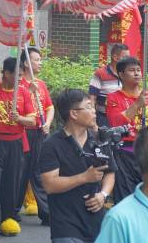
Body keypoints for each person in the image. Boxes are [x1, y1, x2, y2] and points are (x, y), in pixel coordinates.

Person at [40, 89, 116, 243]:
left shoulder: (99, 140)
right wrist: (84, 177)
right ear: (74, 114)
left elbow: (110, 173)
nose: (94, 111)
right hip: (65, 224)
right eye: (88, 107)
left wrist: (103, 195)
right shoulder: (52, 145)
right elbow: (50, 184)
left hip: (96, 222)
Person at [0, 57, 37, 243]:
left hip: (16, 145)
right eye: (16, 75)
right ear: (7, 73)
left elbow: (32, 121)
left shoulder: (25, 93)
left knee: (11, 185)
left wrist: (19, 118)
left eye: (22, 75)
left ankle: (7, 220)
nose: (20, 79)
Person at [105, 56, 148, 202]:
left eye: (138, 70)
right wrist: (136, 105)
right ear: (121, 74)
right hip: (125, 153)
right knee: (126, 195)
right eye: (131, 70)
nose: (137, 73)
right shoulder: (113, 98)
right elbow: (115, 122)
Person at [16, 46, 54, 223]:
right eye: (36, 59)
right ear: (26, 63)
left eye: (40, 59)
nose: (40, 63)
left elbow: (49, 107)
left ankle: (46, 212)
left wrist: (47, 123)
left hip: (40, 133)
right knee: (21, 172)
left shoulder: (41, 84)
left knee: (39, 172)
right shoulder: (18, 85)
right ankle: (12, 209)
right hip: (23, 133)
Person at [89, 43, 129, 127]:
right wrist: (93, 121)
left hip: (125, 117)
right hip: (104, 118)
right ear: (115, 58)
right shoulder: (100, 73)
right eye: (125, 57)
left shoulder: (128, 74)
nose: (128, 60)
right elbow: (92, 99)